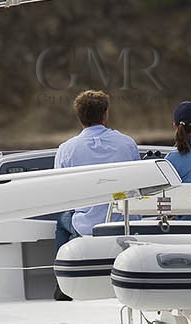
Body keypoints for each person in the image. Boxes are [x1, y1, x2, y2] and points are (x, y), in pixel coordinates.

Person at [54, 90, 141, 249]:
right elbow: (139, 184)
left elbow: (60, 195)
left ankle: (60, 266)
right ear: (105, 115)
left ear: (79, 117)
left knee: (61, 221)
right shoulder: (127, 144)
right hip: (126, 222)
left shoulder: (66, 150)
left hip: (87, 226)